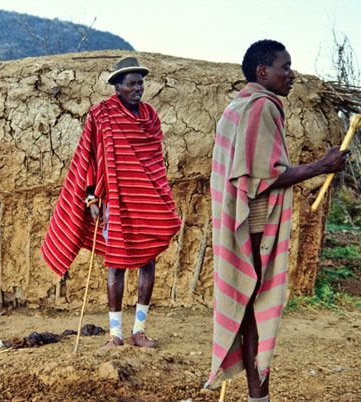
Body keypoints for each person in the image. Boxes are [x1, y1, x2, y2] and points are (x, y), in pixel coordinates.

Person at [208, 40, 349, 401]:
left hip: (241, 223)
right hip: (255, 226)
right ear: (263, 72)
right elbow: (264, 177)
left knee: (251, 312)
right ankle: (260, 397)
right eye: (285, 67)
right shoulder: (260, 108)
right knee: (256, 313)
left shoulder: (237, 108)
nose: (291, 75)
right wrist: (323, 166)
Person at [41, 57, 182, 348]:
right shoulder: (101, 114)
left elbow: (155, 162)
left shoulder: (150, 117)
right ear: (117, 86)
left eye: (140, 83)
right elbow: (91, 158)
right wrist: (91, 196)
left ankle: (138, 331)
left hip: (146, 198)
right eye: (131, 83)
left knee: (148, 259)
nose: (138, 88)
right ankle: (115, 333)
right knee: (115, 263)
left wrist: (158, 196)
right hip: (115, 199)